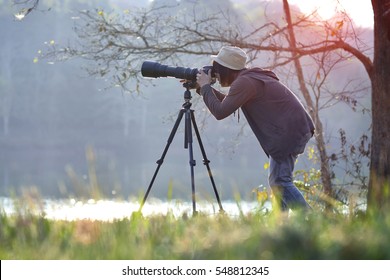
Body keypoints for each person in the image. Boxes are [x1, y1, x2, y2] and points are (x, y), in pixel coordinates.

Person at [196, 46, 315, 211]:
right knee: (278, 182)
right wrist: (202, 89)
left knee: (280, 181)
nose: (215, 73)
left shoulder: (244, 82)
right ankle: (282, 227)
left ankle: (312, 219)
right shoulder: (248, 79)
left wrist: (205, 88)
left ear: (226, 69)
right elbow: (228, 103)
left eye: (217, 69)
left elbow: (221, 112)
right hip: (292, 130)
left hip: (288, 133)